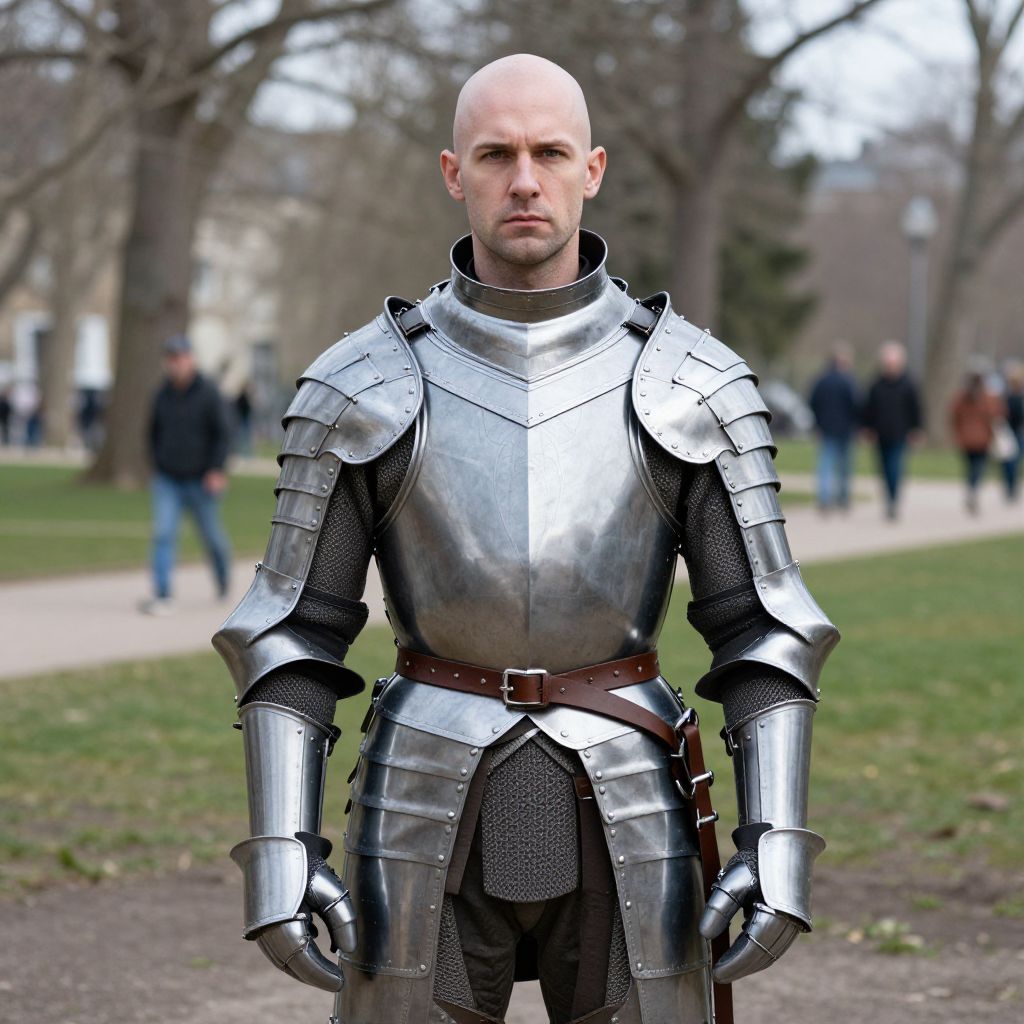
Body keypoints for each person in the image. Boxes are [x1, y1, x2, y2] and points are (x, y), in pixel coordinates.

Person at [215, 55, 838, 1024]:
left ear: (590, 168)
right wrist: (282, 851)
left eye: (548, 152)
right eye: (495, 153)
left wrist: (777, 840)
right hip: (421, 788)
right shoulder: (362, 385)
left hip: (631, 793)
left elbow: (764, 628)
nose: (523, 179)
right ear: (452, 171)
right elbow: (290, 632)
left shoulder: (690, 383)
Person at [141, 334, 232, 615]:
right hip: (168, 478)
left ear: (190, 359)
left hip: (202, 479)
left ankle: (222, 579)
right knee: (163, 533)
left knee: (212, 537)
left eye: (181, 358)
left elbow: (224, 433)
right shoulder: (162, 394)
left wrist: (216, 469)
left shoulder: (208, 392)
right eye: (171, 359)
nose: (176, 364)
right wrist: (157, 464)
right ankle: (163, 593)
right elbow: (152, 433)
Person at [861, 341, 923, 520]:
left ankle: (893, 500)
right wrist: (867, 428)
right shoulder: (876, 384)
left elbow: (916, 409)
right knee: (884, 469)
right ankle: (889, 497)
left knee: (895, 467)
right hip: (881, 433)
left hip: (900, 433)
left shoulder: (908, 385)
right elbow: (868, 409)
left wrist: (916, 429)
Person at [808, 345, 859, 513]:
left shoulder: (821, 381)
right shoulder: (849, 382)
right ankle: (843, 498)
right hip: (845, 429)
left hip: (826, 428)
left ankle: (824, 498)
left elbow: (813, 403)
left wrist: (817, 423)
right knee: (844, 466)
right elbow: (856, 405)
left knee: (825, 464)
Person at [949, 369, 1007, 514]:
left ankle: (971, 488)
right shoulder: (987, 398)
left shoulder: (962, 398)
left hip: (967, 439)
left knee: (971, 466)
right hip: (982, 439)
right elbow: (997, 414)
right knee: (978, 466)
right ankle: (973, 489)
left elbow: (954, 417)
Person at [999, 362, 1023, 502]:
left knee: (1012, 463)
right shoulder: (1007, 397)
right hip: (1009, 433)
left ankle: (1011, 489)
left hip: (1017, 433)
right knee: (1010, 463)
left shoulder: (1015, 397)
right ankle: (1010, 488)